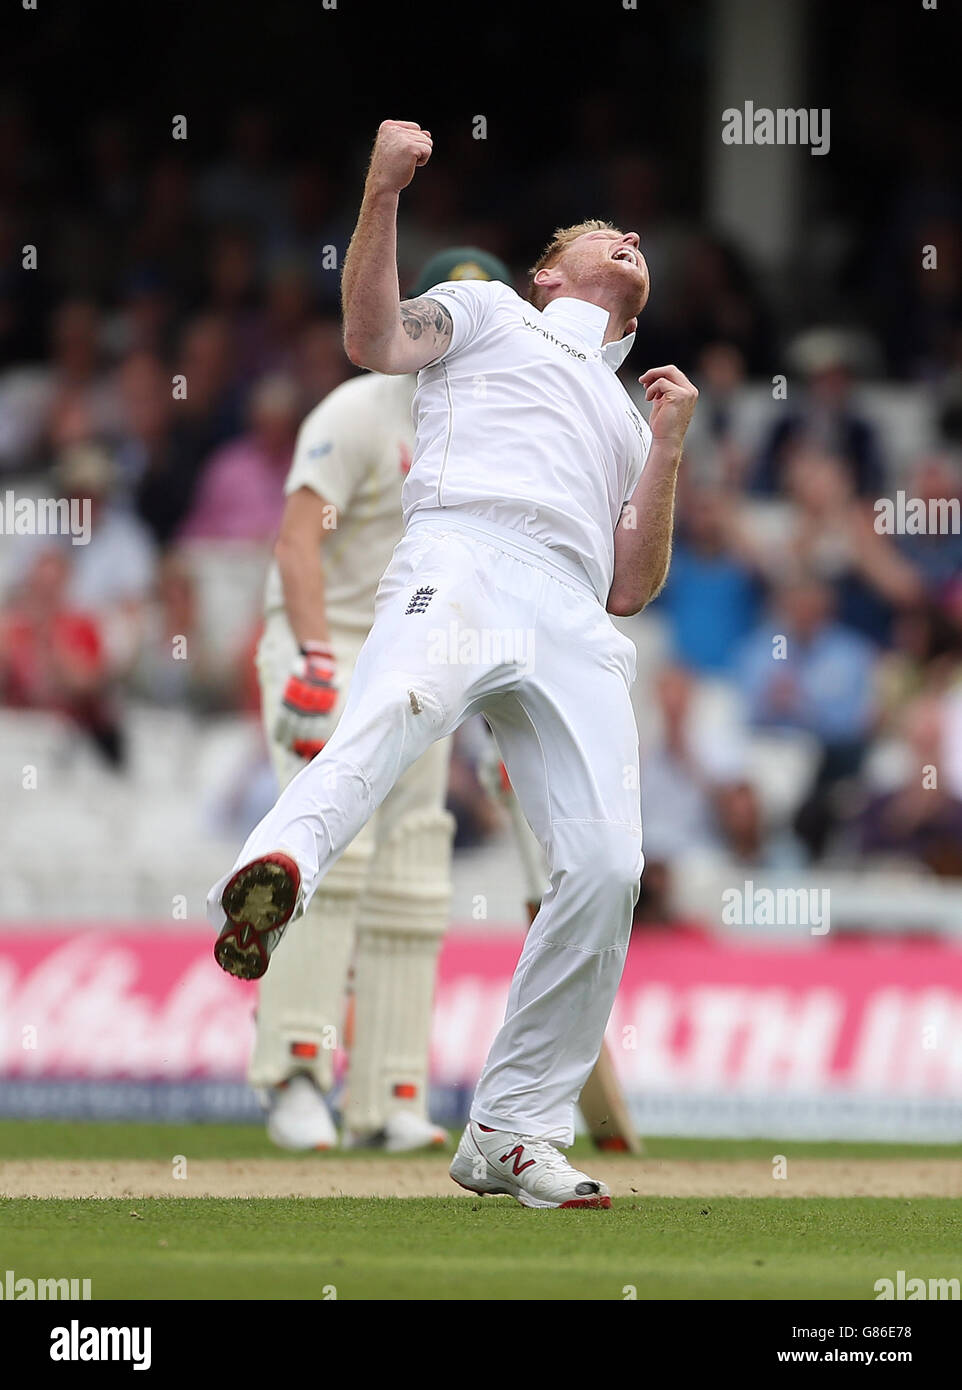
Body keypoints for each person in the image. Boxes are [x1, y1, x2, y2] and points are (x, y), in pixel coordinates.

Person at [207, 120, 698, 1209]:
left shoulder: (625, 414)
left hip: (572, 610)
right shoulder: (487, 314)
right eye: (601, 235)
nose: (628, 235)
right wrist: (381, 189)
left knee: (609, 867)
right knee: (389, 717)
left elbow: (630, 585)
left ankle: (510, 1130)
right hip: (465, 555)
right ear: (548, 275)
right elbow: (374, 339)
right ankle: (274, 873)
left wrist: (666, 445)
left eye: (635, 241)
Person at [251, 245, 511, 1153]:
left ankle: (387, 1095)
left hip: (418, 654)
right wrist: (317, 654)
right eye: (447, 313)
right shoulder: (360, 409)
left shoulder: (489, 431)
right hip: (326, 643)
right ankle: (293, 1074)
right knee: (330, 860)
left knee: (411, 865)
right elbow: (295, 544)